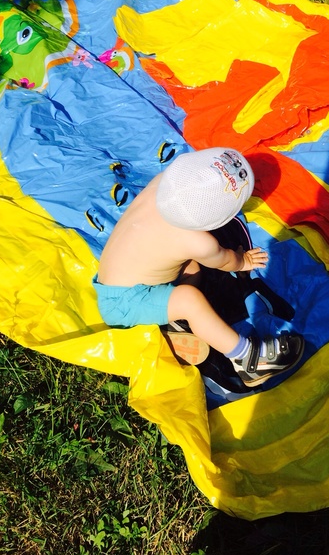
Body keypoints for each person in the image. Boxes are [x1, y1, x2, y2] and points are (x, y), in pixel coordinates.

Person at [94, 147, 305, 387]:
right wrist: (244, 260)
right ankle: (247, 358)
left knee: (191, 268)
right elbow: (227, 261)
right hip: (124, 304)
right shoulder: (199, 243)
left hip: (115, 280)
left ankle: (175, 323)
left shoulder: (159, 183)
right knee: (189, 299)